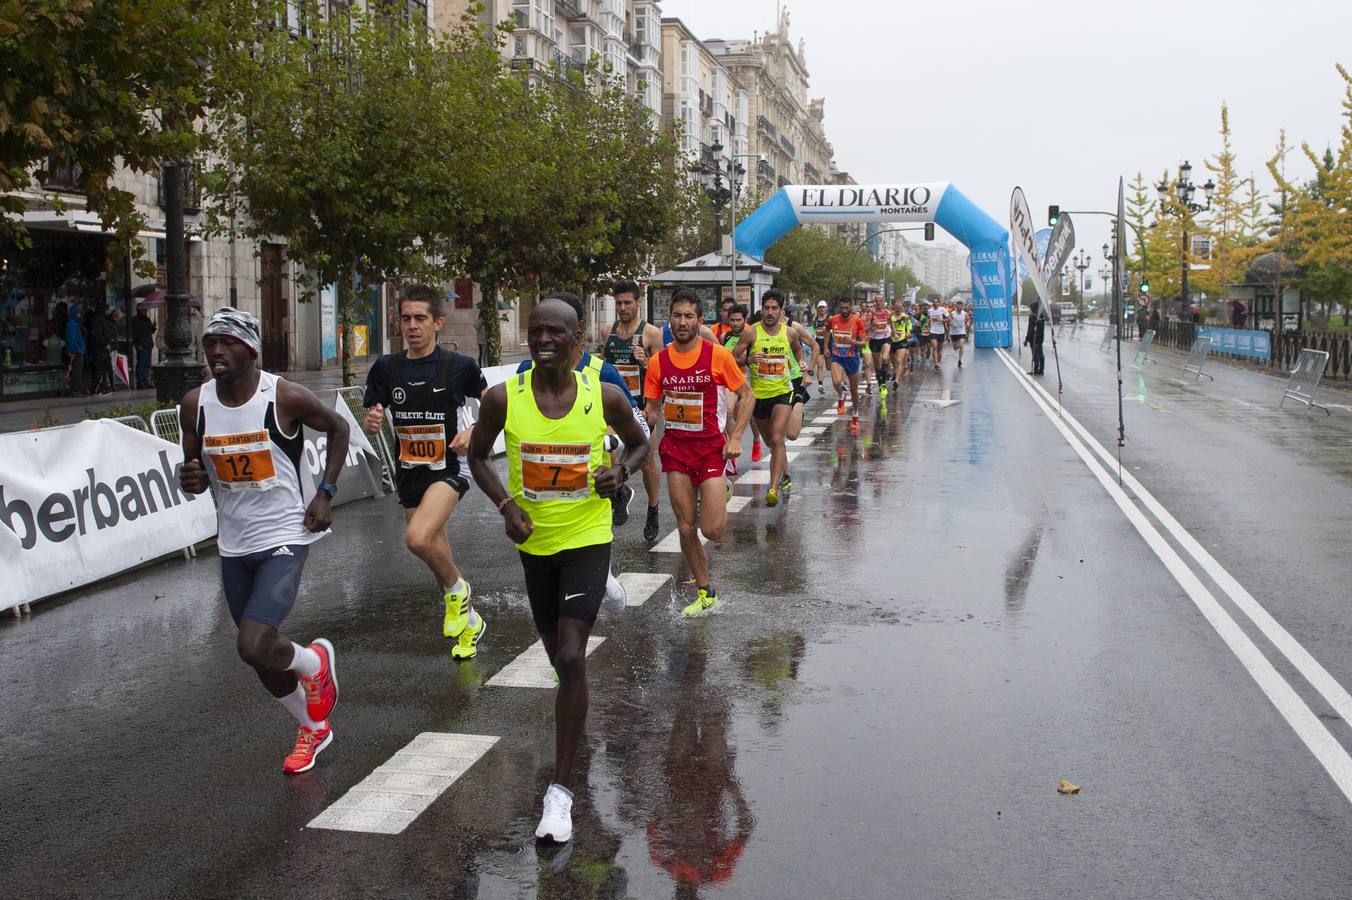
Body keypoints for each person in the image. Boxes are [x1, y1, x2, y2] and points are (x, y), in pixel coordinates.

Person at [468, 298, 649, 845]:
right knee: (559, 661)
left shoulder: (604, 395)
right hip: (535, 541)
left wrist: (619, 471)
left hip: (588, 536)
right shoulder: (504, 398)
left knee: (572, 656)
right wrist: (506, 506)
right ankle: (574, 719)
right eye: (536, 331)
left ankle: (561, 792)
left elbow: (642, 443)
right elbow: (477, 458)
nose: (544, 339)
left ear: (578, 341)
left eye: (556, 332)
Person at [178, 307, 347, 774]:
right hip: (234, 541)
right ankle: (314, 729)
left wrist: (325, 494)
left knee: (253, 643)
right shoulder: (195, 404)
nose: (216, 350)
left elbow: (339, 428)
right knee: (260, 660)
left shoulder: (284, 396)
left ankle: (313, 664)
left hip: (285, 533)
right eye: (210, 342)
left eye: (228, 342)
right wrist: (189, 478)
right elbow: (193, 473)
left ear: (251, 350)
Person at [363, 284, 487, 660]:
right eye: (406, 318)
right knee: (434, 548)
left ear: (438, 323)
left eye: (420, 318)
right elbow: (373, 412)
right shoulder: (386, 368)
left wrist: (474, 430)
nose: (412, 326)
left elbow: (497, 408)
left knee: (417, 539)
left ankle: (459, 592)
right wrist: (372, 419)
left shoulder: (459, 367)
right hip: (409, 470)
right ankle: (470, 624)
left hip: (450, 465)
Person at [644, 288, 753, 617]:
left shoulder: (717, 356)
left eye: (688, 316)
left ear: (699, 321)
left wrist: (735, 438)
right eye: (676, 315)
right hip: (676, 450)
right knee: (686, 527)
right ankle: (706, 591)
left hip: (710, 450)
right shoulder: (657, 362)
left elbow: (747, 396)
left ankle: (721, 487)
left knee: (713, 531)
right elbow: (651, 409)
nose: (682, 321)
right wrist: (638, 424)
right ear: (669, 320)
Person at [600, 280, 663, 541]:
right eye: (619, 303)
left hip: (641, 407)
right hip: (615, 408)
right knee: (609, 447)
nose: (623, 308)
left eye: (628, 302)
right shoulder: (608, 331)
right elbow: (605, 370)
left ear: (639, 302)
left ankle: (653, 509)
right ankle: (620, 491)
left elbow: (661, 374)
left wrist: (645, 362)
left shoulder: (651, 334)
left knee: (647, 463)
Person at [731, 290, 801, 507]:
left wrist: (801, 368)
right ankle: (783, 472)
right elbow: (733, 358)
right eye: (766, 308)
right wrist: (749, 359)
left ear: (781, 310)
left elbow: (798, 352)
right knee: (771, 442)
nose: (769, 312)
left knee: (778, 437)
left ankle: (772, 488)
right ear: (761, 309)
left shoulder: (789, 333)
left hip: (782, 391)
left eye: (774, 308)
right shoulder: (751, 333)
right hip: (759, 395)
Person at [825, 296, 866, 434]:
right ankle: (841, 395)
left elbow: (864, 343)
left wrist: (853, 342)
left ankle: (855, 414)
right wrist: (825, 347)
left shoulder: (857, 321)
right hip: (837, 357)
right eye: (841, 308)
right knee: (836, 381)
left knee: (854, 391)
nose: (843, 310)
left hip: (852, 359)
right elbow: (826, 331)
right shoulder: (833, 319)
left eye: (846, 308)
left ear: (851, 307)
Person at [866, 294, 893, 393]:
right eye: (876, 301)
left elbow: (891, 323)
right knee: (877, 365)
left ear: (883, 301)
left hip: (886, 337)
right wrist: (873, 324)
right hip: (874, 339)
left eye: (880, 301)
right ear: (874, 302)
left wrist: (894, 332)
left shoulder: (887, 313)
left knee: (885, 358)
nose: (878, 303)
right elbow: (866, 329)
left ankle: (884, 381)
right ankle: (880, 383)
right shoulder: (870, 314)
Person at [88, 304, 117, 394]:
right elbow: (97, 335)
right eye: (106, 309)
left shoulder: (104, 319)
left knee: (108, 369)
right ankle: (95, 389)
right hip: (100, 350)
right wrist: (105, 344)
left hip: (105, 350)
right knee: (100, 371)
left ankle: (110, 386)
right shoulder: (98, 320)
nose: (108, 311)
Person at [888, 299, 913, 386]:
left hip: (902, 340)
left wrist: (908, 332)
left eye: (900, 308)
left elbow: (909, 325)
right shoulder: (890, 317)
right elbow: (886, 327)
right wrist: (891, 332)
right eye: (896, 308)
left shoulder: (905, 316)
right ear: (894, 308)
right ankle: (895, 372)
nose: (898, 309)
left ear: (902, 308)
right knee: (893, 361)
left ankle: (896, 381)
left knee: (899, 361)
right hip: (891, 341)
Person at [132, 306, 156, 389]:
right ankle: (140, 382)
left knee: (147, 364)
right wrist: (137, 344)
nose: (146, 311)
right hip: (142, 344)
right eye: (144, 310)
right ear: (140, 310)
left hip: (148, 344)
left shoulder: (147, 319)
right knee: (141, 363)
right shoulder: (136, 320)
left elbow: (150, 331)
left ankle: (146, 381)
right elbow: (134, 333)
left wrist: (153, 327)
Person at [64, 305, 86, 395]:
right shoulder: (72, 325)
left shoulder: (73, 324)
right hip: (76, 352)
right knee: (76, 371)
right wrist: (77, 350)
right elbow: (72, 340)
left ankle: (76, 389)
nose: (79, 316)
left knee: (77, 371)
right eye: (78, 314)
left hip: (77, 351)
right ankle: (75, 390)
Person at [812, 300, 830, 393]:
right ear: (818, 309)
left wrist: (826, 331)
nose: (822, 309)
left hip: (829, 343)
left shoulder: (830, 319)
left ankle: (843, 382)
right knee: (820, 365)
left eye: (823, 307)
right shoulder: (815, 319)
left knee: (830, 367)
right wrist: (812, 344)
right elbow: (814, 332)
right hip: (819, 342)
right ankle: (820, 385)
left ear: (826, 308)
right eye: (820, 307)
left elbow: (832, 331)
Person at [926, 298, 949, 367]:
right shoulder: (929, 311)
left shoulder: (942, 310)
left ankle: (938, 361)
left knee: (940, 349)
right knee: (935, 347)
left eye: (936, 302)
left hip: (941, 332)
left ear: (939, 303)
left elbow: (949, 318)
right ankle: (936, 362)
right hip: (933, 331)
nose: (935, 303)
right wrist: (927, 323)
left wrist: (942, 320)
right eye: (934, 302)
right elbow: (928, 319)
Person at [1025, 301, 1046, 375]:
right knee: (1040, 354)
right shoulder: (1042, 316)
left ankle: (1036, 369)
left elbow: (1030, 329)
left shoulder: (1032, 317)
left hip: (1034, 338)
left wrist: (1026, 339)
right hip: (1040, 338)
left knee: (1034, 355)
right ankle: (1041, 370)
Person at [950, 299, 969, 367]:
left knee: (961, 346)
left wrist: (967, 324)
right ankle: (957, 345)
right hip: (954, 333)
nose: (960, 308)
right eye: (958, 306)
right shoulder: (952, 313)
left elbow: (967, 319)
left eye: (961, 306)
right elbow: (949, 321)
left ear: (962, 307)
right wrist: (952, 324)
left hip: (962, 332)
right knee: (955, 348)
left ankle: (960, 360)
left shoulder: (964, 313)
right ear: (956, 306)